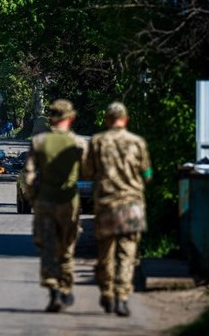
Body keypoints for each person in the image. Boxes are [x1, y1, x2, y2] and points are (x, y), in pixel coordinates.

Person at [83, 102, 152, 317]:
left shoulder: (97, 142)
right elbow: (147, 174)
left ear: (106, 119)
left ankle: (107, 293)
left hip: (106, 206)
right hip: (131, 206)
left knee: (106, 254)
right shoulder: (137, 142)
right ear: (126, 119)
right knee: (127, 254)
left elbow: (86, 172)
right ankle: (122, 298)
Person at [21, 99, 88, 313]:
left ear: (50, 119)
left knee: (48, 247)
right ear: (71, 118)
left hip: (45, 202)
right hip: (69, 202)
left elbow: (28, 176)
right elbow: (90, 171)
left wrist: (33, 199)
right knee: (67, 248)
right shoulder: (79, 143)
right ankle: (66, 288)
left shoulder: (39, 141)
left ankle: (54, 292)